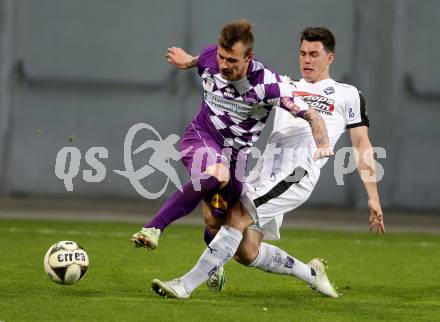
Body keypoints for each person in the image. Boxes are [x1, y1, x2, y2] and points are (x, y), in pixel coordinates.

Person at [150, 27, 385, 299]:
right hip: (265, 170)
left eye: (314, 54)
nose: (307, 60)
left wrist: (373, 196)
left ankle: (185, 285)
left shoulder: (347, 94)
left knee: (236, 217)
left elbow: (361, 144)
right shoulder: (285, 84)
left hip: (296, 172)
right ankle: (310, 273)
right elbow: (234, 75)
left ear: (330, 58)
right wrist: (191, 60)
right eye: (302, 53)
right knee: (245, 250)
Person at [130, 20, 333, 254]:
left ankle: (214, 267)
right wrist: (186, 61)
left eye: (232, 60)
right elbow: (198, 60)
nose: (224, 65)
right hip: (201, 136)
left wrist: (323, 143)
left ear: (249, 57)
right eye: (222, 57)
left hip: (237, 157)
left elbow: (311, 115)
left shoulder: (268, 84)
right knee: (217, 173)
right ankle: (154, 227)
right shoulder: (210, 58)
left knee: (218, 223)